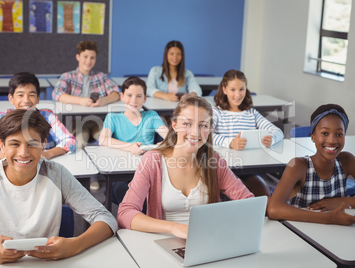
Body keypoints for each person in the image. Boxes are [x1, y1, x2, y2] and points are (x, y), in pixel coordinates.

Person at [0, 109, 117, 264]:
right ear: (2, 146)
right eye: (14, 143)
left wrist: (75, 245)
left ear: (43, 145)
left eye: (32, 144)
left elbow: (106, 218)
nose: (23, 153)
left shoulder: (57, 174)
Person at [117, 96, 254, 239]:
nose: (195, 132)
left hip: (206, 239)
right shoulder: (153, 161)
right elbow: (125, 213)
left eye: (203, 125)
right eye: (187, 124)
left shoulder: (214, 161)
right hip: (163, 241)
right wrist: (174, 228)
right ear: (174, 125)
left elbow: (248, 201)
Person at [268, 104, 355, 225]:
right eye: (325, 133)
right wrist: (328, 218)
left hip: (336, 232)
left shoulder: (347, 160)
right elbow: (274, 209)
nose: (332, 140)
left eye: (339, 134)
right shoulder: (298, 166)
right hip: (298, 233)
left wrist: (338, 201)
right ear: (313, 137)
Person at [52, 40, 120, 190]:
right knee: (80, 141)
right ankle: (89, 175)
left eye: (92, 57)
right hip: (77, 120)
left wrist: (104, 101)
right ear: (78, 57)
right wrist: (81, 101)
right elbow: (57, 94)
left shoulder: (100, 77)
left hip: (96, 119)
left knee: (105, 139)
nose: (88, 61)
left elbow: (116, 93)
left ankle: (106, 171)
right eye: (85, 56)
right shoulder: (68, 76)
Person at [0, 72, 77, 160]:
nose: (26, 100)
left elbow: (70, 141)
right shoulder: (0, 118)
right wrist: (5, 155)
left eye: (31, 95)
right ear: (11, 98)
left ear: (38, 98)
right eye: (20, 95)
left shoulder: (47, 116)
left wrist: (48, 154)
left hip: (39, 166)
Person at [212, 69, 284, 197]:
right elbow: (206, 136)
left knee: (264, 195)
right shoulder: (217, 113)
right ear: (224, 89)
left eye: (241, 89)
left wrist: (272, 139)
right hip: (224, 170)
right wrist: (230, 143)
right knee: (237, 196)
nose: (238, 94)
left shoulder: (252, 114)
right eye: (232, 89)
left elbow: (278, 131)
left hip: (248, 170)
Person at [99, 76, 168, 204]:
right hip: (122, 170)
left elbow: (169, 136)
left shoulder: (151, 116)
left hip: (147, 170)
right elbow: (103, 140)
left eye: (139, 96)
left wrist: (165, 143)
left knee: (156, 191)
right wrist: (130, 147)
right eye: (129, 95)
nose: (133, 100)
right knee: (123, 190)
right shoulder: (113, 118)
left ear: (145, 98)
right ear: (122, 97)